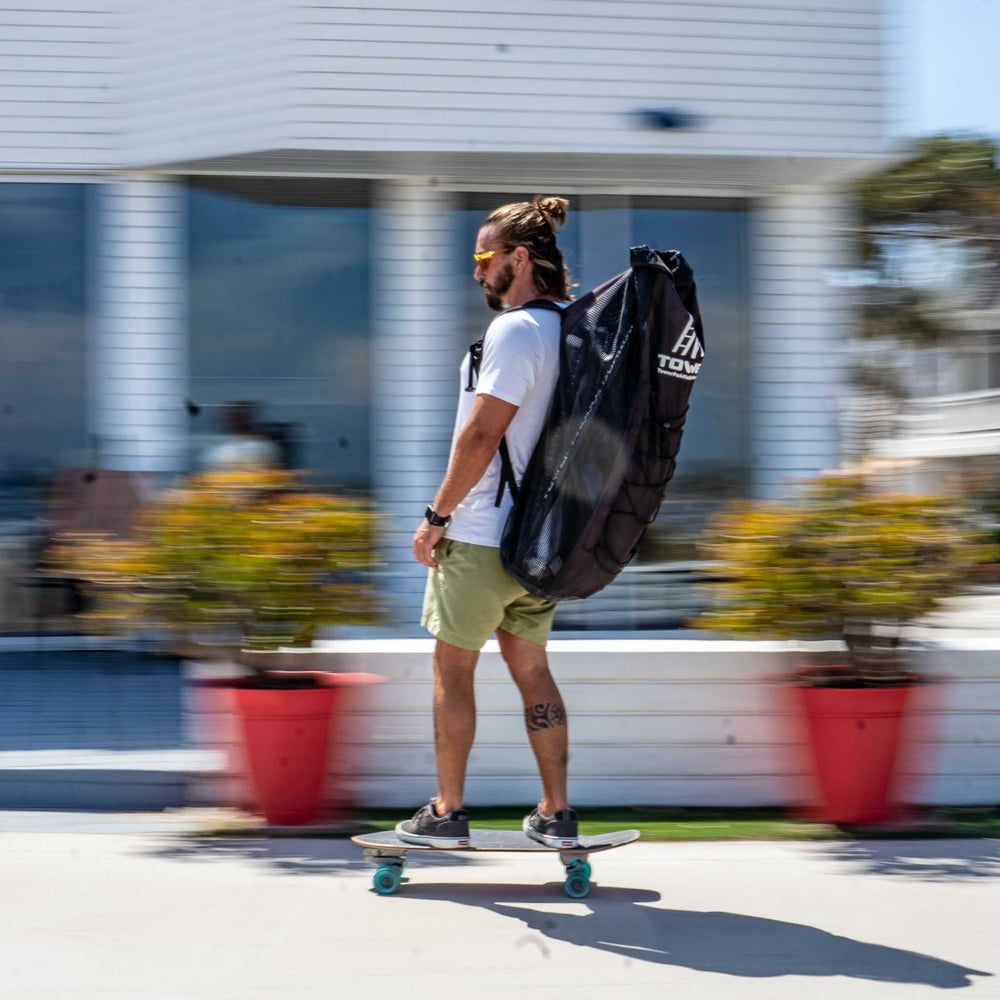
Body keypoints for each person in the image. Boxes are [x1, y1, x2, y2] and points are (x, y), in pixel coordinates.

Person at [397, 196, 579, 849]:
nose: (476, 271)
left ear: (519, 258)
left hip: (479, 538)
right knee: (533, 672)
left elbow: (480, 435)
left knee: (454, 672)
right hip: (543, 542)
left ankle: (447, 811)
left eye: (484, 257)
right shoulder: (574, 330)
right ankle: (556, 811)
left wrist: (434, 517)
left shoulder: (516, 330)